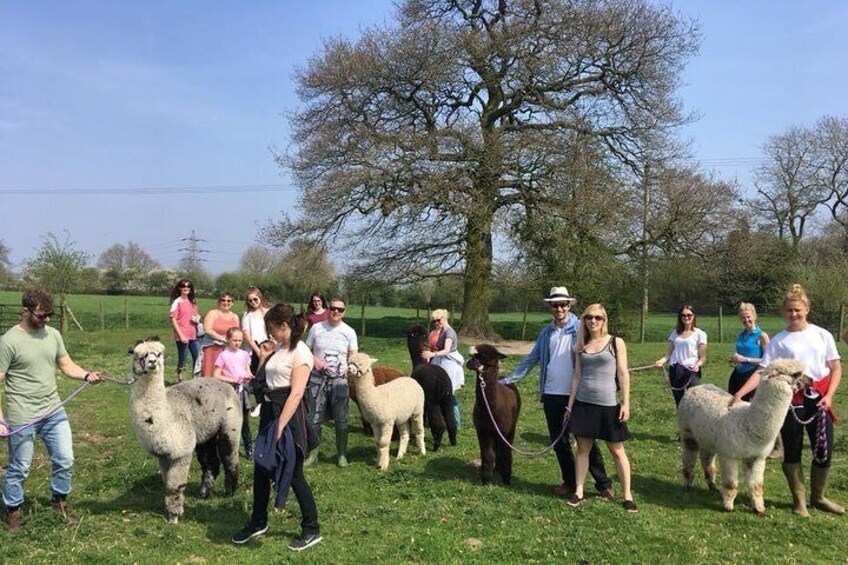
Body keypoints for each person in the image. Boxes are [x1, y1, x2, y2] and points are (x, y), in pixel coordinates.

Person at [730, 284, 844, 516]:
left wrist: (830, 396)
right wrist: (740, 393)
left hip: (819, 400)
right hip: (790, 404)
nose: (793, 314)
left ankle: (819, 497)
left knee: (824, 450)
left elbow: (836, 368)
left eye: (798, 310)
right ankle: (799, 500)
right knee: (791, 451)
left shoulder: (822, 335)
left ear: (807, 309)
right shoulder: (779, 341)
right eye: (789, 310)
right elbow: (762, 371)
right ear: (783, 312)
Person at [0, 289, 103, 532]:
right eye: (41, 315)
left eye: (50, 315)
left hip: (53, 410)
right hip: (22, 414)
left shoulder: (53, 335)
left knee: (65, 457)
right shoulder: (8, 341)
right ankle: (13, 510)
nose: (46, 320)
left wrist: (86, 374)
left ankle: (60, 502)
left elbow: (65, 364)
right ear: (25, 311)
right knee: (20, 466)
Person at [500, 286, 613, 499]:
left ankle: (603, 484)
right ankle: (570, 482)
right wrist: (508, 379)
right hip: (551, 393)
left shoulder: (582, 327)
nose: (559, 308)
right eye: (555, 304)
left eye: (563, 304)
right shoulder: (546, 333)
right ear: (550, 307)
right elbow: (532, 359)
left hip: (577, 394)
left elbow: (600, 349)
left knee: (584, 440)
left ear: (569, 305)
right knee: (559, 443)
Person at [231, 303, 322, 551]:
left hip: (289, 418)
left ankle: (312, 529)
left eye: (272, 328)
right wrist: (264, 356)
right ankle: (258, 521)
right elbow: (265, 376)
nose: (270, 334)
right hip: (270, 413)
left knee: (293, 473)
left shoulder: (301, 353)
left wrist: (281, 427)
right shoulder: (279, 348)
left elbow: (296, 394)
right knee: (262, 468)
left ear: (284, 326)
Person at [565, 304, 636, 512]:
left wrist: (625, 403)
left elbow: (623, 373)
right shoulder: (581, 344)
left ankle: (627, 495)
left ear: (604, 320)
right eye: (589, 317)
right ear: (584, 320)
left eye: (598, 318)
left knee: (617, 450)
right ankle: (578, 491)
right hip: (584, 404)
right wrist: (570, 406)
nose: (593, 321)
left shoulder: (616, 342)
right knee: (583, 450)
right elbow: (577, 376)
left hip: (608, 406)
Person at [304, 297, 358, 467]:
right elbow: (306, 350)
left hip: (339, 381)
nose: (336, 312)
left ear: (344, 312)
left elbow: (353, 355)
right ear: (328, 309)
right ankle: (313, 454)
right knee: (315, 417)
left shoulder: (349, 332)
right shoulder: (316, 328)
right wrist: (316, 361)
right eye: (333, 308)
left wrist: (351, 367)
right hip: (317, 380)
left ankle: (341, 454)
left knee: (341, 418)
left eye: (340, 310)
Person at [213, 327, 255, 458]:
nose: (237, 343)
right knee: (227, 420)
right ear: (228, 340)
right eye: (234, 340)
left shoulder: (244, 354)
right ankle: (224, 448)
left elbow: (247, 370)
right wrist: (232, 379)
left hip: (242, 391)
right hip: (229, 392)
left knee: (244, 420)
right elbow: (216, 374)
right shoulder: (223, 355)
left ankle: (249, 449)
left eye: (240, 340)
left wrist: (249, 376)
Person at [654, 305, 707, 407]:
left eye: (689, 315)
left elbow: (703, 357)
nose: (686, 317)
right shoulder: (675, 333)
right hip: (676, 370)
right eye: (683, 315)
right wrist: (661, 361)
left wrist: (698, 365)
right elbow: (668, 354)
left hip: (692, 371)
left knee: (695, 401)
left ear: (694, 316)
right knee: (680, 403)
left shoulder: (700, 334)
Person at [422, 309, 465, 429]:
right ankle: (441, 421)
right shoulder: (441, 331)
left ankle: (455, 424)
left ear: (445, 318)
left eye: (438, 320)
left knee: (449, 395)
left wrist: (432, 355)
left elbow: (446, 350)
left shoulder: (449, 332)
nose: (436, 322)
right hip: (441, 363)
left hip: (450, 364)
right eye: (434, 321)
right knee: (440, 394)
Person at [728, 302, 770, 402]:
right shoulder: (740, 335)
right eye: (743, 318)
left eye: (748, 317)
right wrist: (734, 359)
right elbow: (740, 354)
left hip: (751, 376)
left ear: (754, 316)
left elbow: (767, 361)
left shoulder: (762, 336)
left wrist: (745, 359)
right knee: (731, 404)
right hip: (737, 375)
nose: (746, 320)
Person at [200, 292, 241, 378]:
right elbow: (208, 330)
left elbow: (237, 333)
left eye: (229, 301)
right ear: (219, 302)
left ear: (232, 303)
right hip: (212, 348)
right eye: (223, 300)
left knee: (226, 373)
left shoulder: (235, 317)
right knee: (210, 373)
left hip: (227, 349)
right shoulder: (213, 313)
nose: (226, 303)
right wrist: (222, 339)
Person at [169, 279, 202, 382]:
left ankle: (195, 378)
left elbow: (197, 314)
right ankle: (180, 377)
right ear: (180, 288)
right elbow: (173, 319)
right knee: (183, 357)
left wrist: (198, 318)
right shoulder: (177, 302)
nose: (186, 288)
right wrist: (181, 335)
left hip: (194, 334)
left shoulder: (193, 301)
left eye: (188, 286)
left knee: (197, 357)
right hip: (182, 334)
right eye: (184, 286)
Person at [241, 286, 271, 375]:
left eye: (255, 299)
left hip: (268, 346)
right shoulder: (247, 316)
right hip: (254, 349)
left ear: (260, 298)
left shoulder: (269, 312)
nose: (253, 302)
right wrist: (258, 351)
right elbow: (247, 337)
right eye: (250, 301)